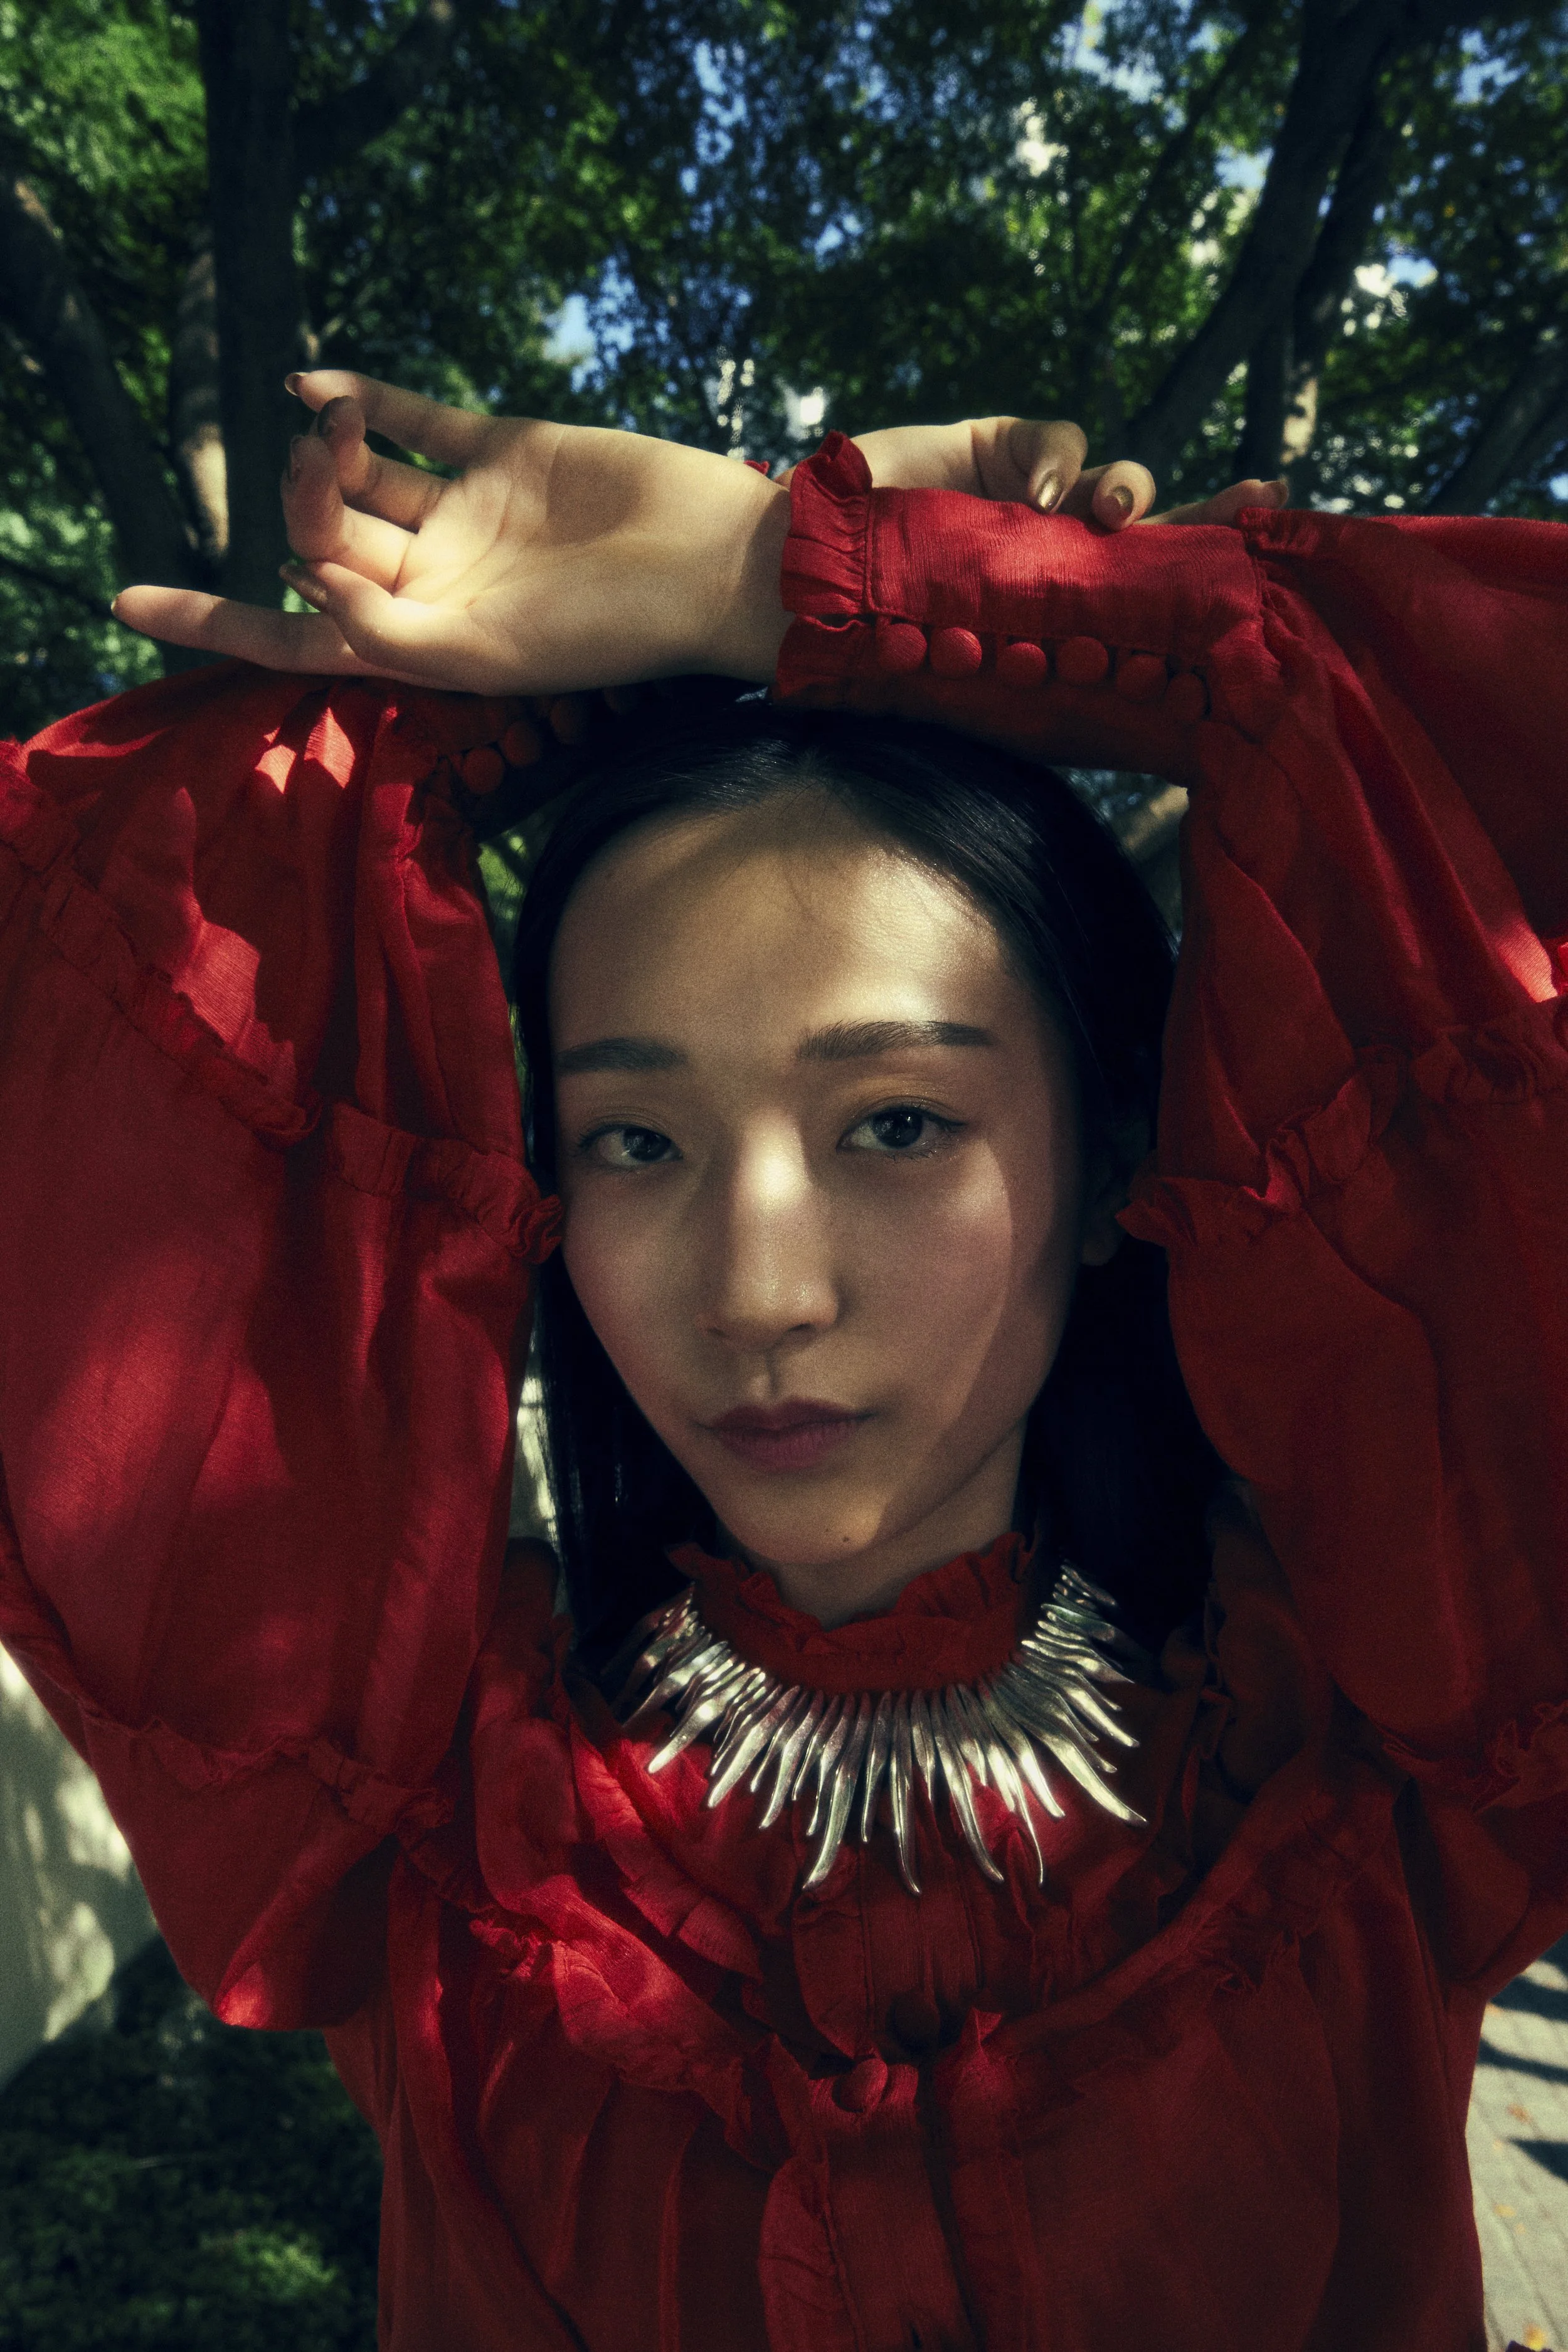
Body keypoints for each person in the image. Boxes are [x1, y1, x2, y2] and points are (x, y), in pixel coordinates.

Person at [0, 372, 1564, 2352]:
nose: (756, 1287)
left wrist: (777, 584)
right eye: (632, 1140)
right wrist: (523, 690)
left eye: (894, 1121)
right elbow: (81, 975)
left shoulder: (1380, 1734)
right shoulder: (426, 1820)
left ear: (1106, 1163)